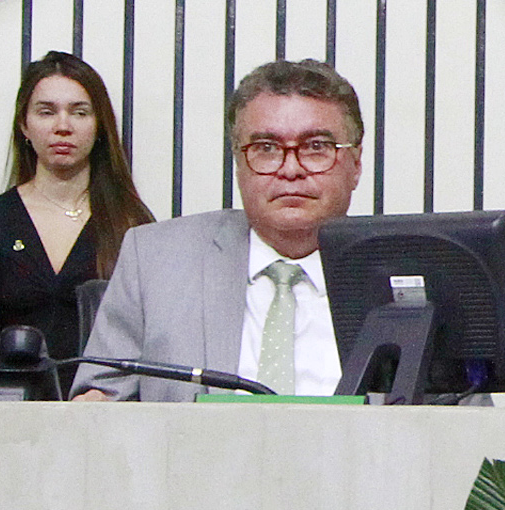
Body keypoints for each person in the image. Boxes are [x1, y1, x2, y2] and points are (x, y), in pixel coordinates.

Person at [73, 59, 364, 402]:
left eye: (316, 146)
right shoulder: (154, 259)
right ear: (238, 164)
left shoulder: (407, 271)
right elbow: (96, 404)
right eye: (266, 148)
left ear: (356, 165)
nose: (290, 168)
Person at [0, 52, 154, 365]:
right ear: (24, 125)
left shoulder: (133, 223)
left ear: (99, 125)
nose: (63, 126)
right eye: (46, 112)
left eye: (79, 112)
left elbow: (149, 342)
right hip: (11, 407)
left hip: (106, 406)